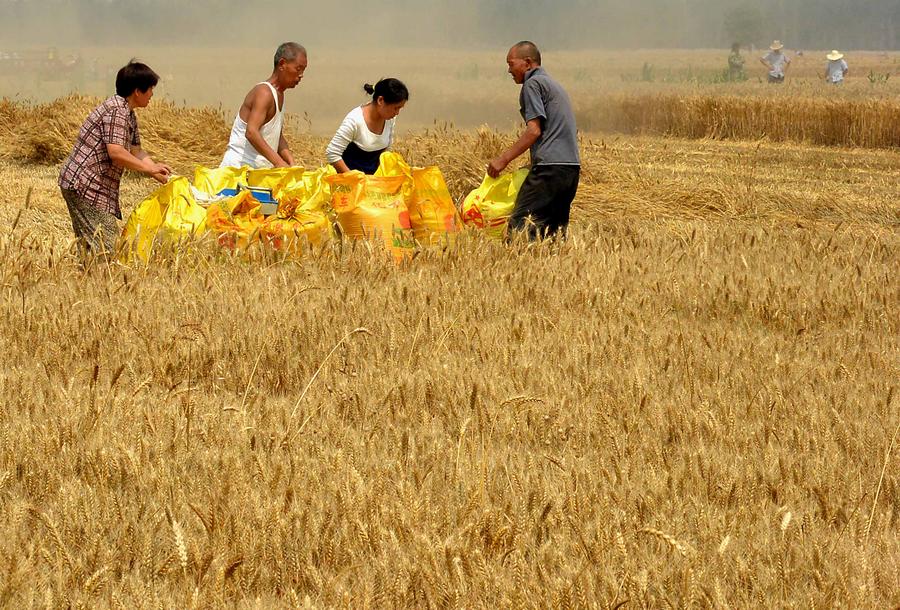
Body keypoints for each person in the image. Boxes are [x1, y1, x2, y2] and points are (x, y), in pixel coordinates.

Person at [58, 60, 171, 256]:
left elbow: (136, 151)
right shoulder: (117, 112)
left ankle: (88, 275)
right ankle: (100, 275)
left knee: (92, 250)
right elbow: (116, 153)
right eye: (150, 89)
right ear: (137, 91)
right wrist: (149, 169)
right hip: (84, 185)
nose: (152, 94)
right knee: (107, 249)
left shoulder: (128, 113)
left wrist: (157, 173)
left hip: (89, 185)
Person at [487, 41, 580, 240]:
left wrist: (503, 159)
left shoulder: (532, 84)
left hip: (550, 170)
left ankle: (515, 260)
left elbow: (534, 131)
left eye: (511, 64)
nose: (509, 70)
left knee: (519, 230)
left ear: (528, 63)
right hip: (570, 170)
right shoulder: (553, 85)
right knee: (552, 235)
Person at [220, 42, 307, 169]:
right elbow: (251, 132)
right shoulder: (264, 93)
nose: (301, 75)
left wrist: (290, 161)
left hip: (258, 172)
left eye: (304, 70)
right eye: (298, 69)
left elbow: (276, 135)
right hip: (238, 170)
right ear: (282, 64)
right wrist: (279, 163)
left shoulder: (279, 95)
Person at [326, 78, 408, 175]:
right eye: (396, 108)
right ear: (380, 100)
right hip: (350, 180)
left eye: (400, 108)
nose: (397, 113)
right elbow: (332, 153)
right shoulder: (354, 121)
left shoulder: (389, 119)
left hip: (374, 180)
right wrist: (353, 178)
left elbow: (387, 152)